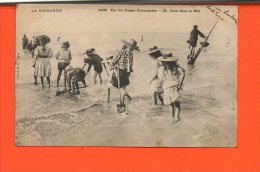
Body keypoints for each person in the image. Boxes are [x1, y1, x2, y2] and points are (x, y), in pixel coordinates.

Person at [157, 52, 185, 123]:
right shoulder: (175, 67)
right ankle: (175, 118)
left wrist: (180, 83)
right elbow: (183, 73)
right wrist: (180, 83)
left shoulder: (163, 68)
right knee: (174, 104)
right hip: (172, 87)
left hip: (172, 87)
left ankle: (174, 118)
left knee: (173, 104)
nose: (166, 63)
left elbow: (161, 79)